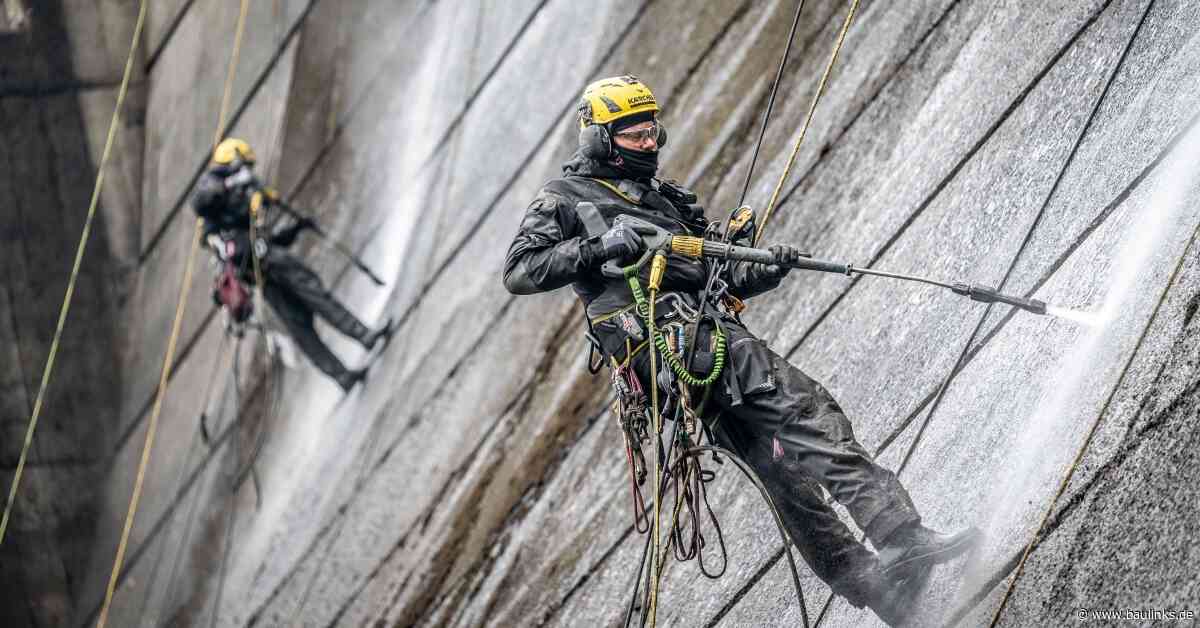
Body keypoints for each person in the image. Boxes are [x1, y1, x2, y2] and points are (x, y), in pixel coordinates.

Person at [502, 76, 979, 624]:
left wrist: (761, 269)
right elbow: (519, 270)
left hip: (697, 344)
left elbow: (716, 276)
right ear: (599, 139)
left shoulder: (664, 198)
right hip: (675, 346)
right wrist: (598, 246)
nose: (649, 143)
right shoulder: (563, 200)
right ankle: (898, 535)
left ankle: (879, 591)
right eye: (633, 136)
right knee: (802, 411)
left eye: (652, 130)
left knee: (783, 473)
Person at [193, 138, 391, 392]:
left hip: (261, 271)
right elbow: (206, 201)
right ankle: (364, 337)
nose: (249, 172)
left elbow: (260, 237)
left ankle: (343, 375)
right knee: (316, 297)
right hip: (265, 264)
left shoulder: (228, 214)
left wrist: (295, 228)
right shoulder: (214, 185)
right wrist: (246, 189)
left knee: (300, 323)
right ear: (234, 158)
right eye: (245, 166)